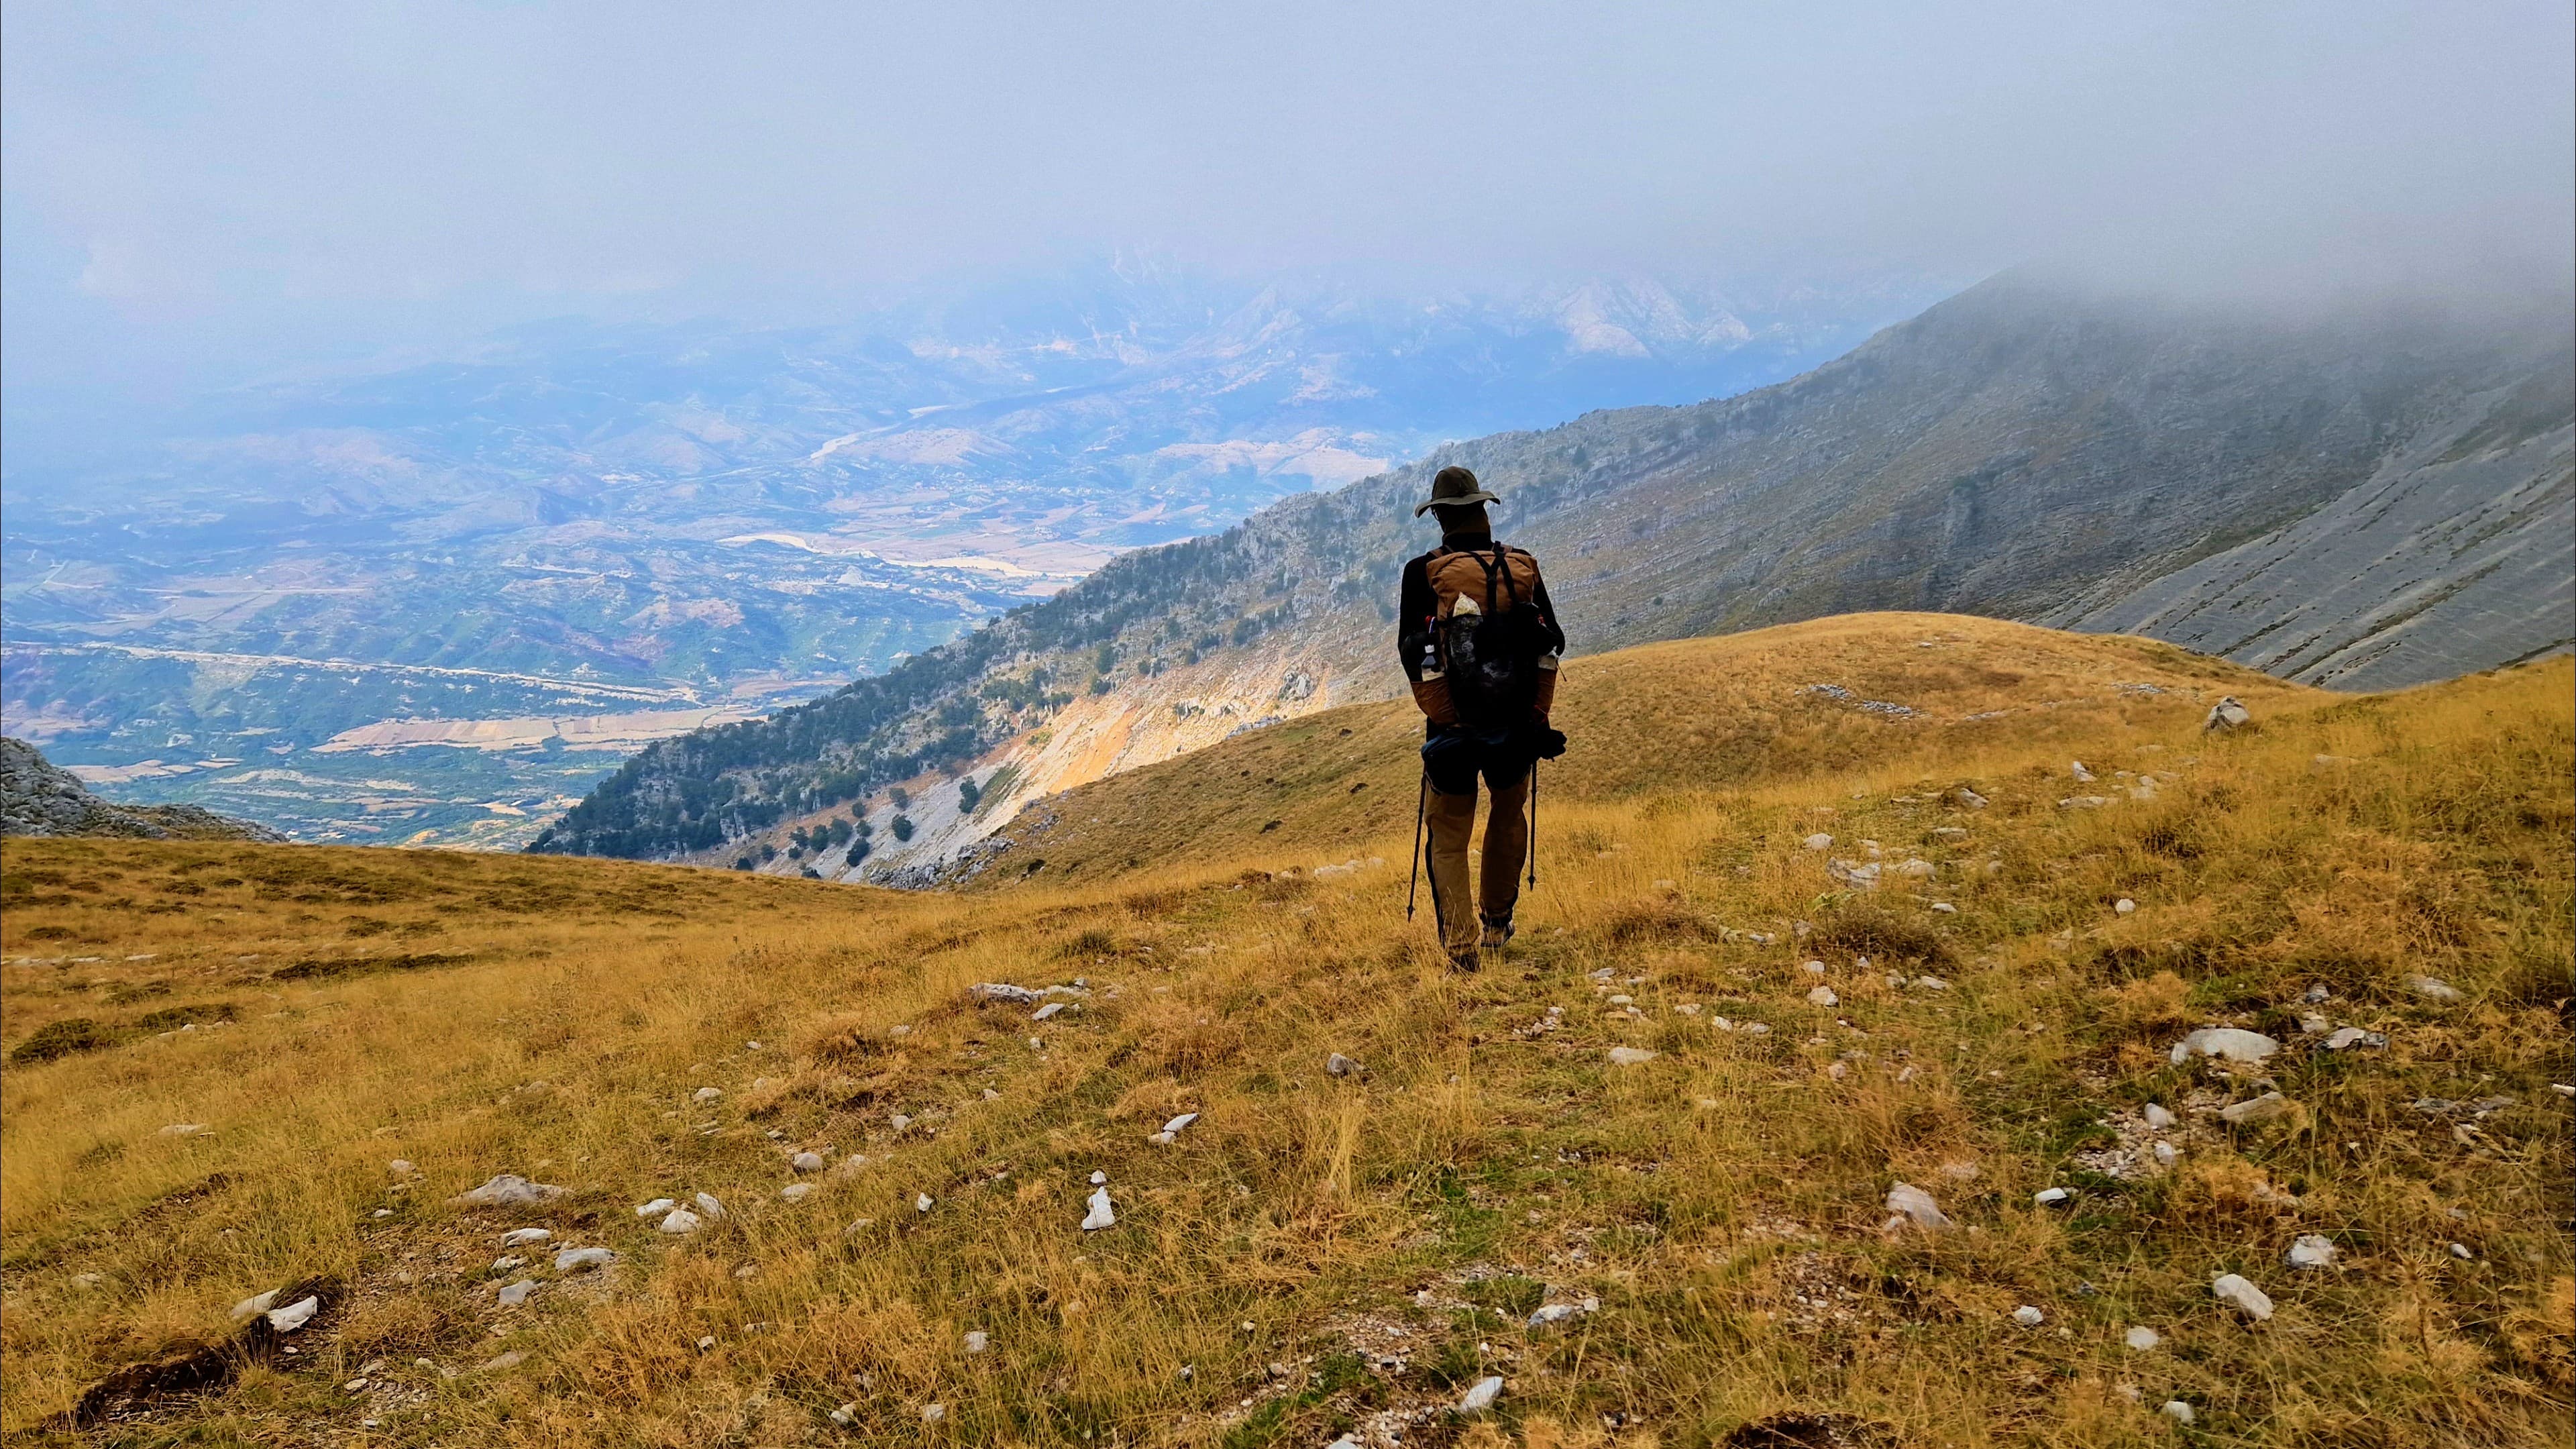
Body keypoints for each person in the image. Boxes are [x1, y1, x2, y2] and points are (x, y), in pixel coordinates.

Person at [1397, 465, 1568, 967]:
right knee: (1507, 815)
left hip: (1451, 729)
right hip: (1516, 724)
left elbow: (1411, 654)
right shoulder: (1521, 566)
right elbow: (1552, 639)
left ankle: (1460, 947)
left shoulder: (1422, 571)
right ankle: (1497, 924)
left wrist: (1444, 713)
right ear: (1483, 511)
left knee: (1448, 835)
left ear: (1440, 518)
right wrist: (1535, 710)